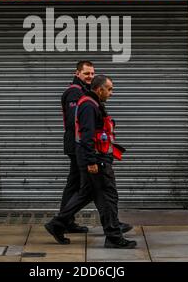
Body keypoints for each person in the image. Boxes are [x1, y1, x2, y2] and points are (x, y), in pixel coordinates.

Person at [46, 75, 136, 249]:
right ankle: (113, 237)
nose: (111, 93)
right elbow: (87, 136)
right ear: (99, 89)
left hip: (94, 158)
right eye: (109, 89)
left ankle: (57, 224)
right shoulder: (88, 105)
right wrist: (91, 161)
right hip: (96, 160)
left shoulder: (92, 103)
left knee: (86, 194)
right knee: (108, 196)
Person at [59, 60, 95, 233]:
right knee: (78, 183)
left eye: (92, 74)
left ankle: (65, 220)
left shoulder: (83, 91)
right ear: (77, 73)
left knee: (74, 182)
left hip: (78, 142)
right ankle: (63, 221)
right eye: (86, 73)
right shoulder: (75, 92)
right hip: (76, 143)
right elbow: (75, 121)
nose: (90, 77)